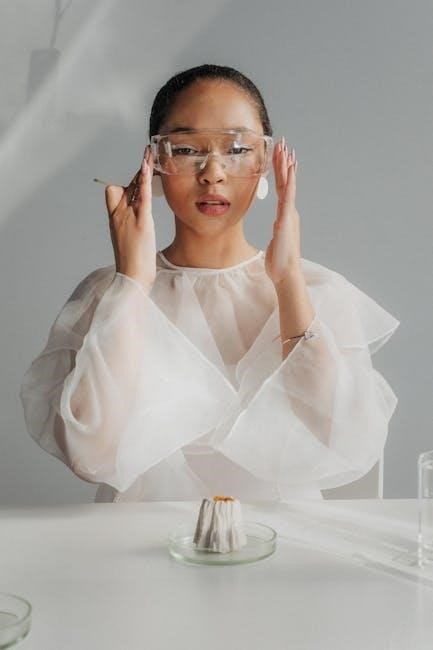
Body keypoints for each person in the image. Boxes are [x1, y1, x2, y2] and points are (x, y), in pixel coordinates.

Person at [19, 64, 400, 503]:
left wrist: (288, 280)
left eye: (237, 149)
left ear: (264, 163)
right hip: (138, 541)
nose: (213, 172)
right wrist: (134, 283)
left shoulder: (318, 292)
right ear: (155, 163)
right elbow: (91, 454)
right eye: (185, 149)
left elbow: (346, 443)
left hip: (283, 539)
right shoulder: (110, 294)